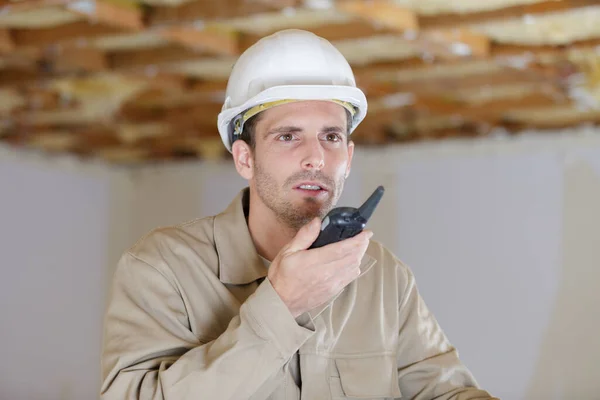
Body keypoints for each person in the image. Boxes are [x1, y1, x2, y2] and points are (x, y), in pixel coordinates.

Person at [100, 29, 497, 399]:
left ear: (349, 156)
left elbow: (443, 392)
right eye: (288, 136)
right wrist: (281, 305)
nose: (315, 158)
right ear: (245, 157)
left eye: (331, 136)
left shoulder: (383, 276)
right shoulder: (162, 268)